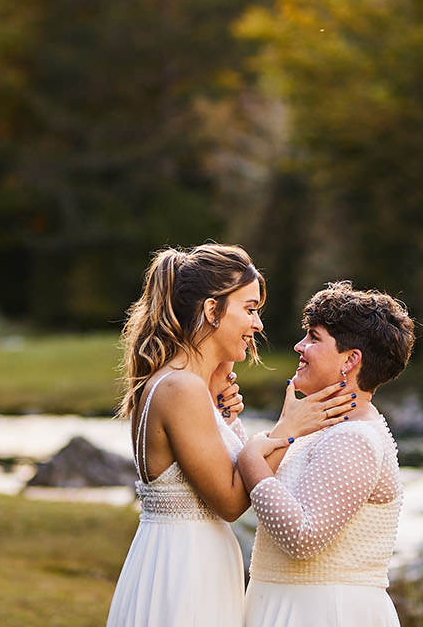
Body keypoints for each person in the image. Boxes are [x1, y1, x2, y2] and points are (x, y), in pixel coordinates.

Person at [106, 244, 349, 627]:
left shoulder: (189, 388)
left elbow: (228, 470)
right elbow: (232, 501)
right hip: (184, 570)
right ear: (211, 310)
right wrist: (289, 429)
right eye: (250, 309)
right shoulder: (181, 388)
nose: (259, 324)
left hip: (192, 561)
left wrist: (221, 410)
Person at [236, 282, 416, 627]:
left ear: (350, 360)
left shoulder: (355, 438)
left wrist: (250, 460)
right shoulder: (318, 429)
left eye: (314, 338)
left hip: (324, 612)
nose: (298, 346)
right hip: (289, 604)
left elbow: (302, 538)